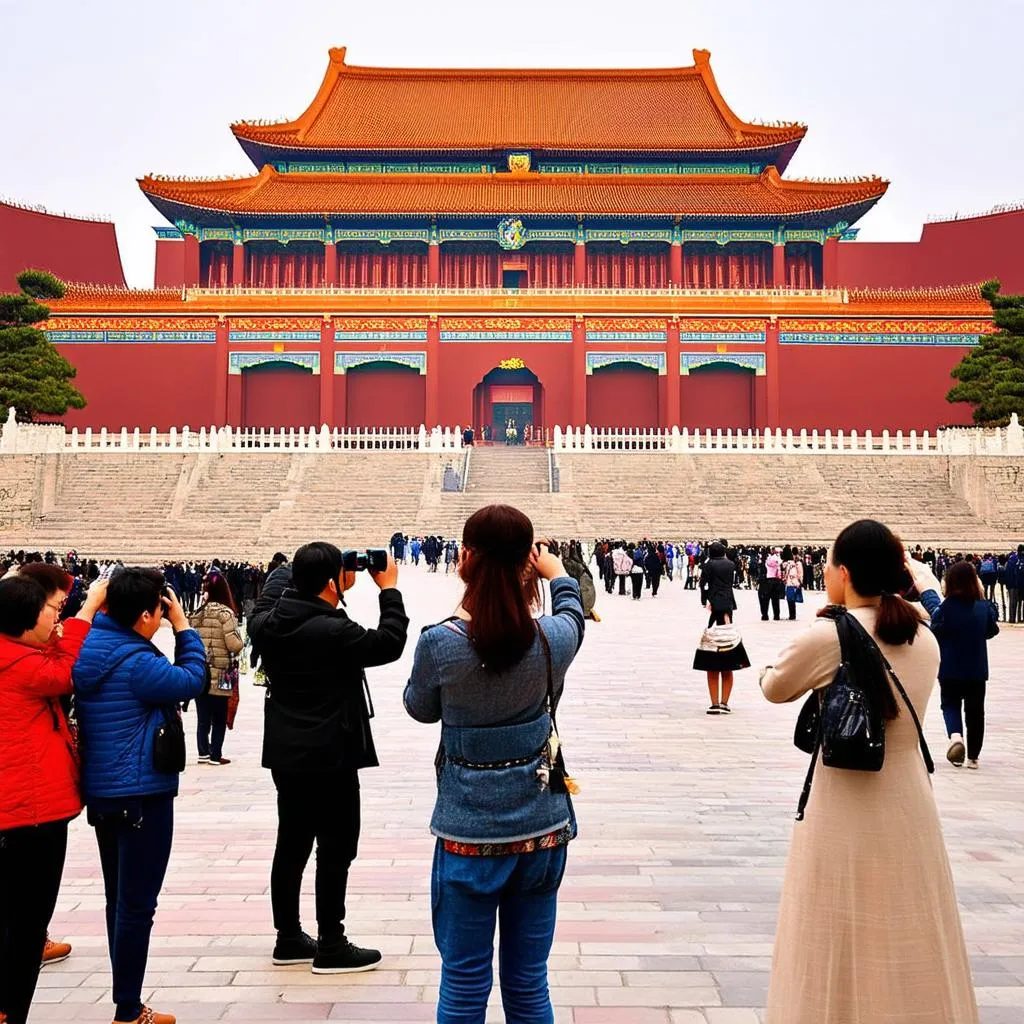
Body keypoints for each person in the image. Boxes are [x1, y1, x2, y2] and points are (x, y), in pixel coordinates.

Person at [760, 519, 978, 1024]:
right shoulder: (923, 636)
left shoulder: (829, 635)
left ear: (845, 572)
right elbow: (927, 609)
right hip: (908, 799)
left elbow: (774, 686)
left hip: (845, 802)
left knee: (835, 926)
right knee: (909, 921)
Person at [404, 505, 585, 1024]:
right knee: (529, 984)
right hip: (542, 829)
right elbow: (573, 612)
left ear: (465, 558)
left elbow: (420, 708)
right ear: (527, 562)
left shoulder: (441, 643)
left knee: (463, 984)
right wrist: (556, 573)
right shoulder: (552, 640)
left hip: (468, 832)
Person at [248, 541, 408, 974]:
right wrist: (388, 590)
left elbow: (269, 594)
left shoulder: (267, 624)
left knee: (292, 843)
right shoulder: (336, 631)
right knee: (336, 848)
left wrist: (311, 567)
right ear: (330, 582)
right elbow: (390, 643)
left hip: (286, 754)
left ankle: (288, 937)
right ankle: (332, 944)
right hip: (332, 756)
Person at [73, 568, 207, 1024]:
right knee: (137, 905)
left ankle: (126, 1001)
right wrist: (184, 628)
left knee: (119, 900)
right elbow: (193, 680)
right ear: (148, 613)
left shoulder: (87, 646)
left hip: (104, 794)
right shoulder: (139, 662)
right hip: (142, 795)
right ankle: (128, 1009)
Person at [0, 573, 107, 1024]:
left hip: (20, 812)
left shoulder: (16, 653)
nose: (57, 615)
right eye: (52, 609)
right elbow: (67, 672)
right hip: (30, 814)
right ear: (27, 618)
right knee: (26, 928)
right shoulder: (22, 666)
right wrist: (87, 611)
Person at [916, 559, 998, 769]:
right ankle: (973, 757)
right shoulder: (983, 607)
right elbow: (991, 631)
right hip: (977, 669)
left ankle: (955, 737)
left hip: (950, 667)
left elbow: (936, 630)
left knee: (950, 704)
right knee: (975, 711)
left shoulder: (946, 608)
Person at [188, 572, 244, 766]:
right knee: (219, 717)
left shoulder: (197, 614)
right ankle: (215, 754)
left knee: (203, 716)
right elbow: (234, 645)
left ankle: (203, 751)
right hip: (221, 673)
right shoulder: (225, 614)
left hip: (200, 672)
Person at [697, 542, 747, 713]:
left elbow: (703, 583)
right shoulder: (731, 564)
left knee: (712, 663)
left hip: (715, 604)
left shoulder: (709, 564)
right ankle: (724, 703)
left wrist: (705, 599)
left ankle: (714, 703)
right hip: (727, 606)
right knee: (728, 663)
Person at [758, 547, 783, 621]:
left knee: (764, 600)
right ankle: (776, 615)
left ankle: (765, 615)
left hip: (765, 582)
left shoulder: (762, 562)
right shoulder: (777, 560)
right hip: (775, 581)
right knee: (775, 600)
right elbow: (779, 571)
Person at [782, 546, 804, 620]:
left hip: (789, 582)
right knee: (792, 599)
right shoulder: (798, 563)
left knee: (790, 599)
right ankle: (792, 615)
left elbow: (785, 571)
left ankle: (792, 615)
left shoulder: (788, 563)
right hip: (795, 582)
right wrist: (801, 581)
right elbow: (800, 573)